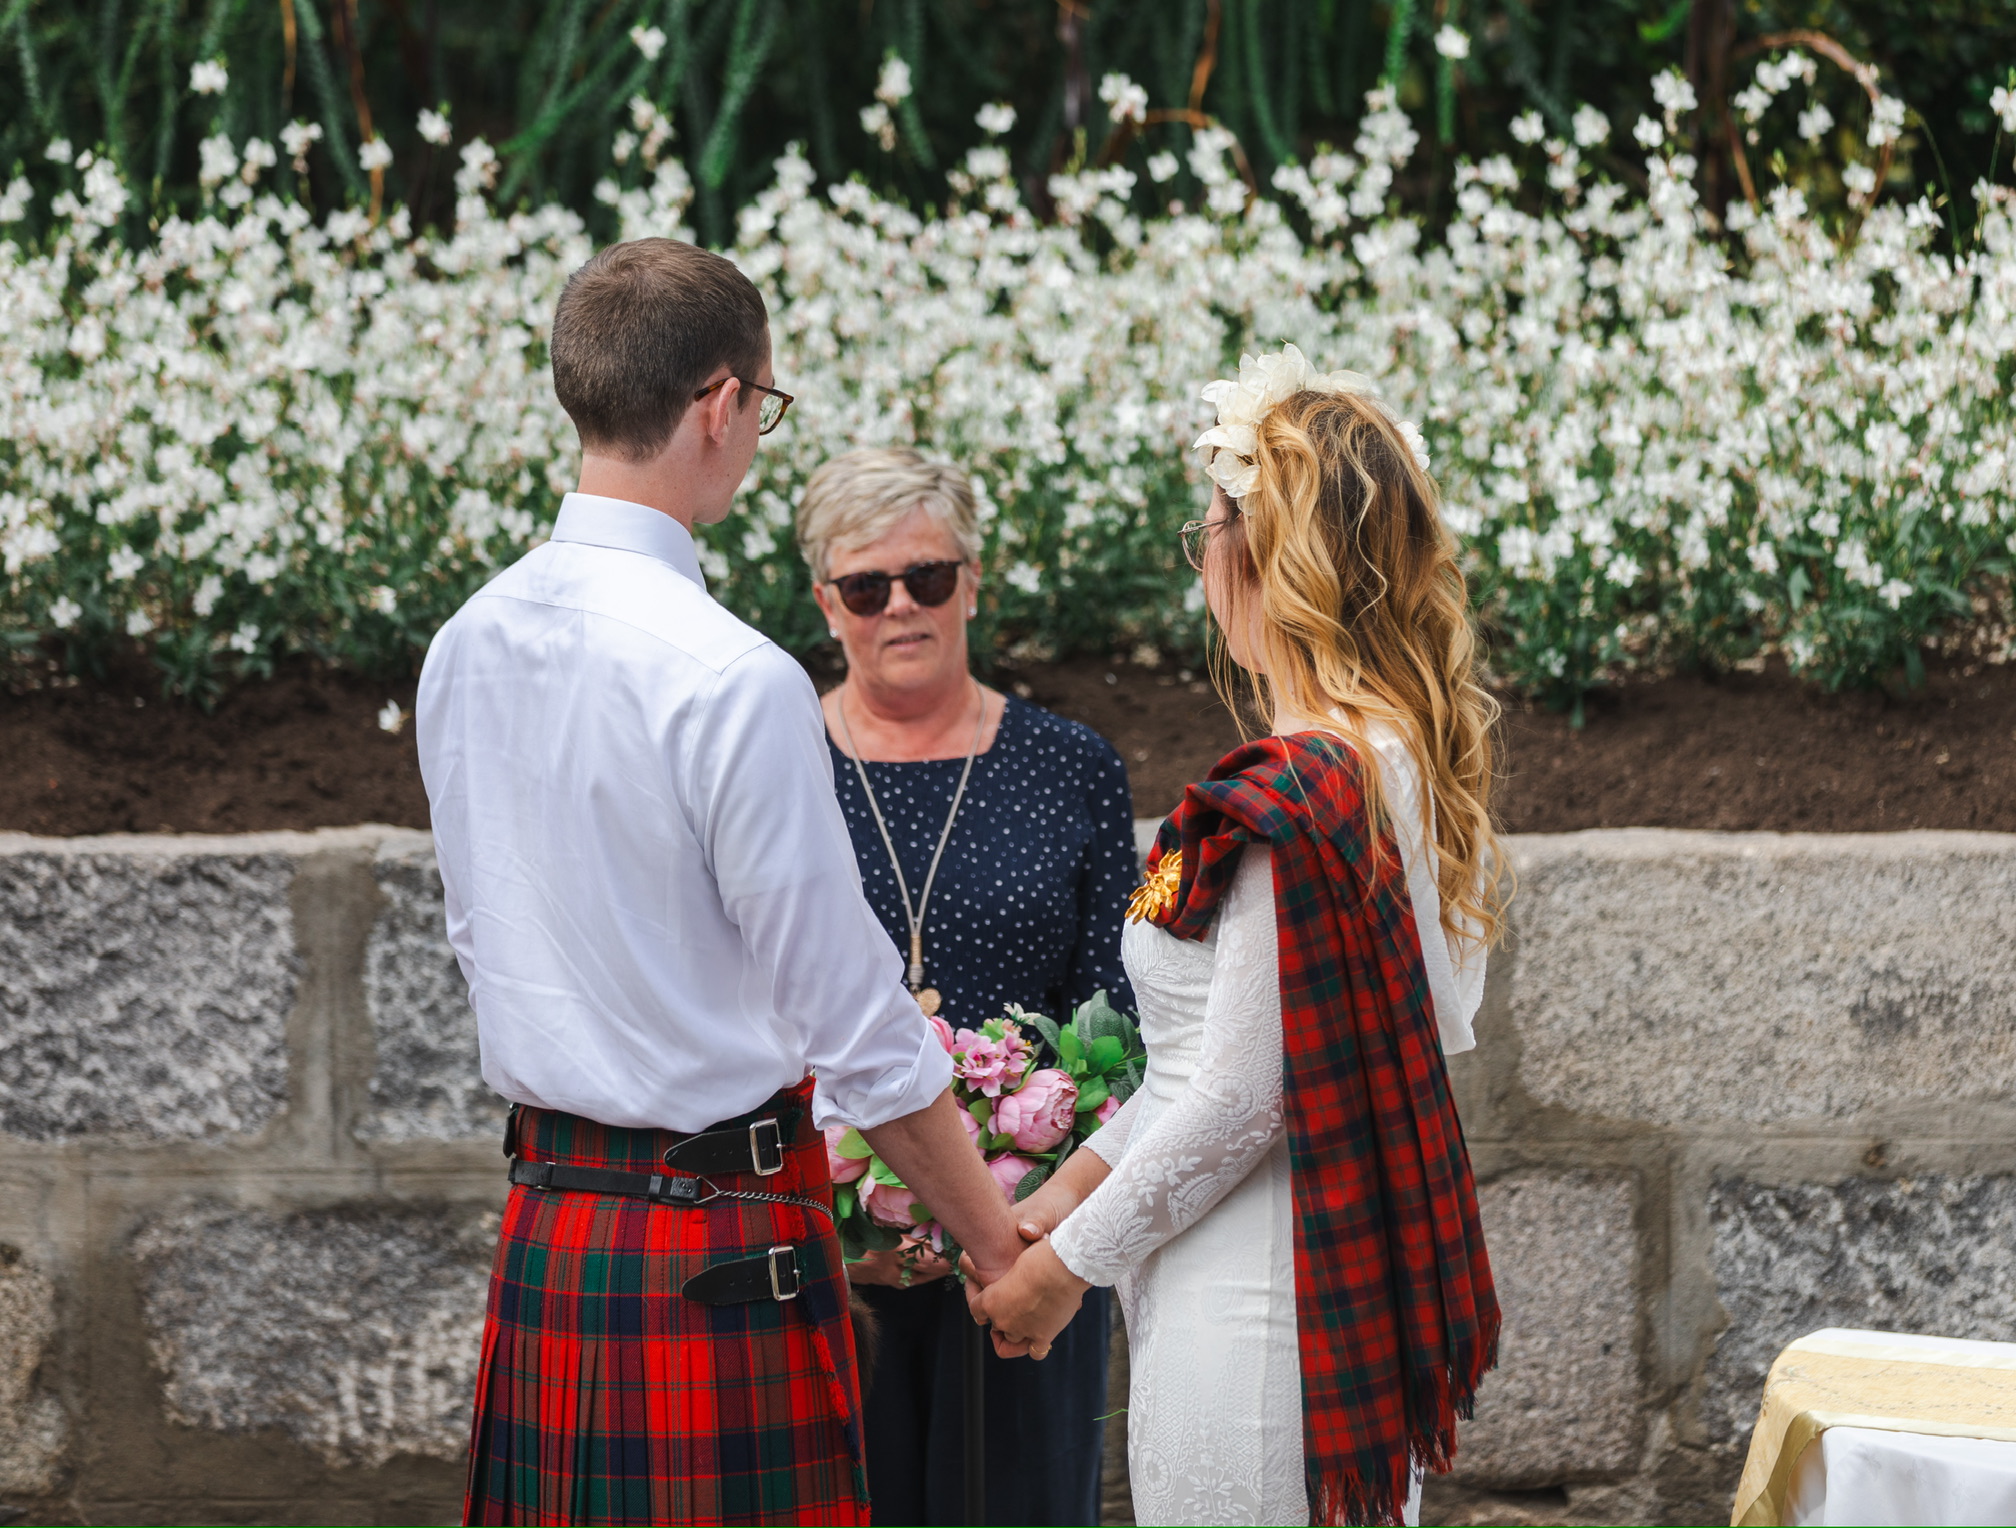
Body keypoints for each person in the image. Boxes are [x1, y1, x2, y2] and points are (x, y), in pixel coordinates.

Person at [417, 237, 1026, 1527]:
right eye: (764, 404)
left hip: (554, 1229)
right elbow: (852, 1018)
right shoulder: (729, 674)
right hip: (717, 1241)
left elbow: (483, 937)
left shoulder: (467, 641)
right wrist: (995, 1244)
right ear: (719, 403)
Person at [968, 346, 1506, 1527]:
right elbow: (1205, 1062)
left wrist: (1058, 1276)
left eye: (1207, 521)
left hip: (1261, 1299)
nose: (1198, 550)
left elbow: (1245, 1094)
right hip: (1265, 1274)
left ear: (1262, 554)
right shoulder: (1395, 755)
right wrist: (1063, 1199)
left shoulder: (1309, 783)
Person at [798, 446, 1139, 1526]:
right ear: (826, 603)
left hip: (1028, 1253)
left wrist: (1036, 1220)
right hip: (826, 1244)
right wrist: (849, 1204)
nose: (900, 606)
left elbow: (1121, 1022)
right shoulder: (775, 758)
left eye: (929, 578)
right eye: (867, 586)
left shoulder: (1072, 763)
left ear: (973, 584)